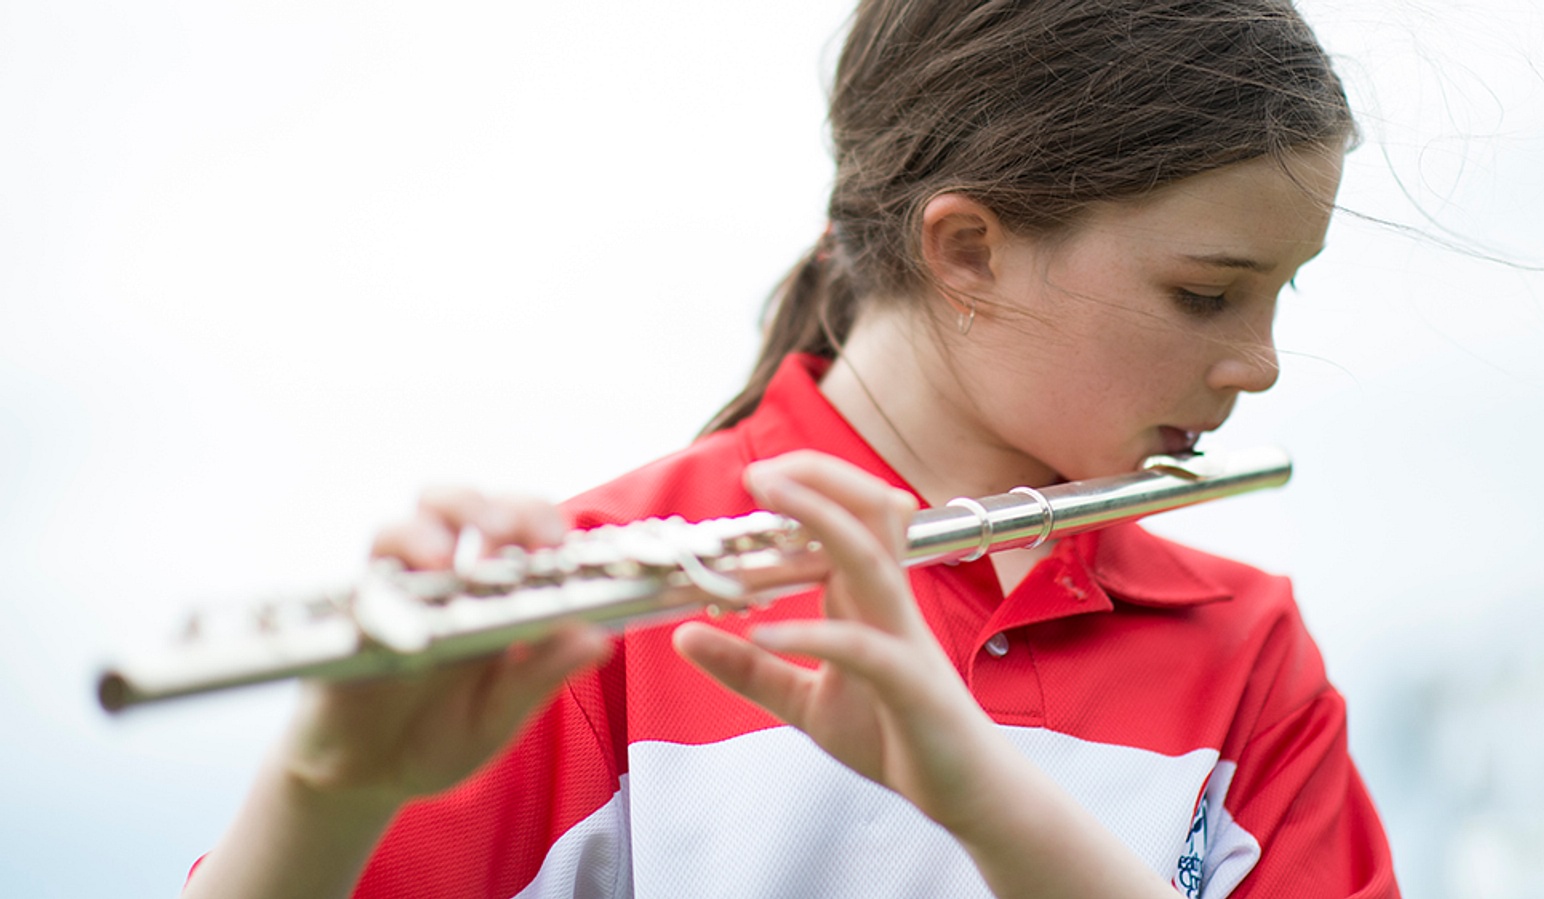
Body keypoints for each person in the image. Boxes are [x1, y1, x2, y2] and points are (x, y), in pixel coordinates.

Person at [183, 1, 1398, 896]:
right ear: (965, 248)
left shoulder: (1242, 653)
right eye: (1207, 294)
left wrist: (993, 810)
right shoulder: (603, 606)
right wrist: (322, 796)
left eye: (1281, 293)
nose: (1259, 362)